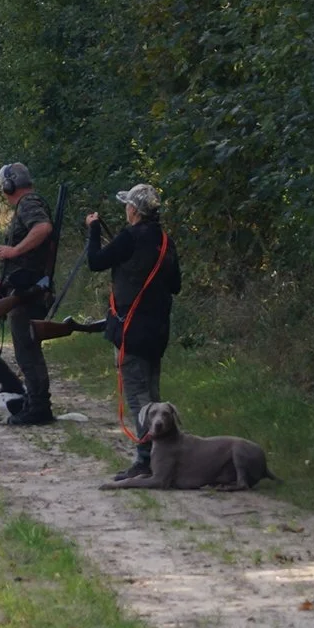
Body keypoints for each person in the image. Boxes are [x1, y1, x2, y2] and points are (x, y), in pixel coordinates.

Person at [85, 184, 182, 481]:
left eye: (128, 205)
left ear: (134, 210)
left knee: (139, 398)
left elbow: (95, 262)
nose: (126, 209)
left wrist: (93, 230)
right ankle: (164, 455)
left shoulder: (130, 237)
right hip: (158, 329)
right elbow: (176, 285)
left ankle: (145, 460)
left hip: (131, 329)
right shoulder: (165, 241)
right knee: (152, 393)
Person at [0, 162, 57, 422]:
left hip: (30, 291)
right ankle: (34, 401)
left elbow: (43, 227)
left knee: (27, 350)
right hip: (24, 287)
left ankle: (39, 407)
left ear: (9, 185)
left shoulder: (28, 203)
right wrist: (4, 281)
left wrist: (14, 251)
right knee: (25, 348)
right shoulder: (27, 203)